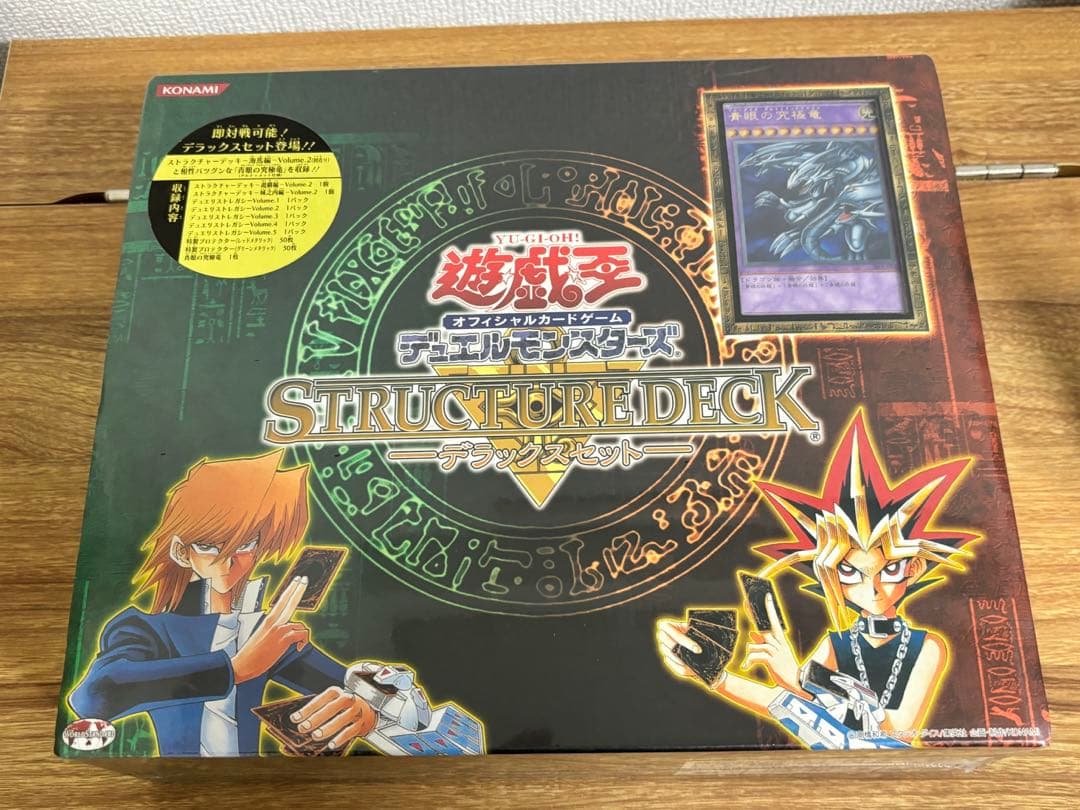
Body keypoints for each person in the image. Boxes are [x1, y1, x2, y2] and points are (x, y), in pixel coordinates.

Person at [656, 410, 977, 740]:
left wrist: (801, 680)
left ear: (914, 567)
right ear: (831, 575)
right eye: (851, 572)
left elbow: (897, 733)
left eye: (889, 569)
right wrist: (713, 673)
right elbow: (787, 706)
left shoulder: (928, 647)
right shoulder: (837, 644)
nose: (873, 588)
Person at [68, 449, 376, 756]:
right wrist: (236, 669)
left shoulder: (262, 632)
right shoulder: (147, 629)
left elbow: (352, 687)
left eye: (245, 544)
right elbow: (93, 696)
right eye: (208, 546)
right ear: (181, 552)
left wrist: (365, 713)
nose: (227, 562)